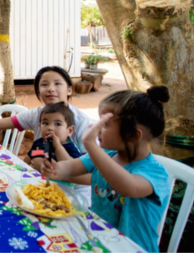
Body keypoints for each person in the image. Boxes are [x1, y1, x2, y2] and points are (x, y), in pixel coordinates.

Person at [41, 86, 171, 253]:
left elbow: (129, 187)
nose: (96, 127)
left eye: (105, 124)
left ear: (132, 135)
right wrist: (56, 169)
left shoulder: (155, 173)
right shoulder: (106, 154)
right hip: (96, 239)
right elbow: (73, 167)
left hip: (132, 249)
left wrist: (90, 144)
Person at [0, 66, 93, 154]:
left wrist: (60, 170)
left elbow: (90, 172)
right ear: (39, 91)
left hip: (74, 192)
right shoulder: (37, 114)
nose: (51, 88)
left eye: (57, 83)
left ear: (69, 90)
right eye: (44, 84)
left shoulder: (83, 123)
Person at [24, 102, 81, 171]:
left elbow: (73, 169)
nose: (50, 128)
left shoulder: (70, 148)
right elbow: (26, 161)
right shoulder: (39, 143)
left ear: (69, 131)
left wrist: (57, 147)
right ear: (40, 126)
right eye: (45, 123)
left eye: (57, 124)